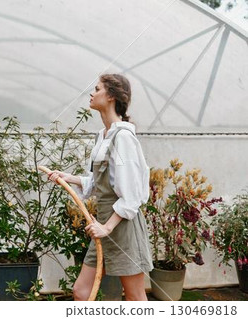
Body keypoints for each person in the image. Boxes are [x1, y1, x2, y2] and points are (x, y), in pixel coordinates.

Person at [48, 74, 153, 301]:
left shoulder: (123, 138)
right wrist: (68, 178)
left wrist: (107, 227)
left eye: (97, 89)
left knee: (135, 297)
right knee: (81, 292)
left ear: (112, 96)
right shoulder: (103, 137)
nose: (92, 93)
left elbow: (131, 195)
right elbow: (100, 183)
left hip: (122, 226)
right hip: (103, 223)